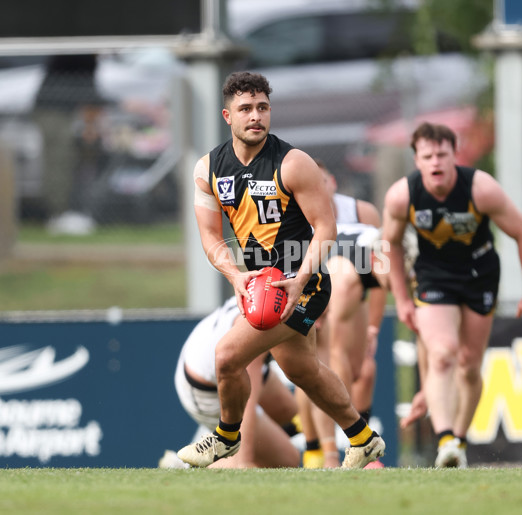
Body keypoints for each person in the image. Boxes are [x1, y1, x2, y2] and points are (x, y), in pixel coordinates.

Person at [176, 71, 385, 469]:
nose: (255, 116)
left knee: (226, 357)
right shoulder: (208, 170)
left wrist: (300, 279)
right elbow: (209, 236)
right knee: (301, 370)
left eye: (262, 108)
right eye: (245, 109)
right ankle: (362, 438)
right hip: (261, 283)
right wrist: (237, 277)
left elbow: (326, 228)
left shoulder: (293, 163)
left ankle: (224, 438)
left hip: (305, 281)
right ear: (227, 116)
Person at [382, 122, 522, 468]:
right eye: (428, 156)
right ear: (417, 160)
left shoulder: (481, 188)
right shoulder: (402, 196)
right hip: (432, 276)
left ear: (455, 156)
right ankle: (446, 442)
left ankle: (458, 438)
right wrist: (400, 299)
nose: (436, 162)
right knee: (443, 354)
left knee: (470, 365)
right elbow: (390, 245)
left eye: (443, 154)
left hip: (478, 275)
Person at [298, 161, 387, 468]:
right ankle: (323, 452)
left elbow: (378, 278)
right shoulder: (299, 217)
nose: (318, 189)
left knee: (364, 370)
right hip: (316, 301)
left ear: (332, 181)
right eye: (312, 184)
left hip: (354, 299)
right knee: (316, 369)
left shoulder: (363, 213)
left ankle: (361, 446)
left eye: (322, 181)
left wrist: (374, 327)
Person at [159, 297, 301, 468]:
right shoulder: (263, 320)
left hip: (211, 362)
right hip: (203, 390)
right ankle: (187, 466)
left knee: (288, 411)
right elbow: (248, 404)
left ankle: (254, 445)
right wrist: (244, 463)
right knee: (288, 459)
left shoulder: (275, 296)